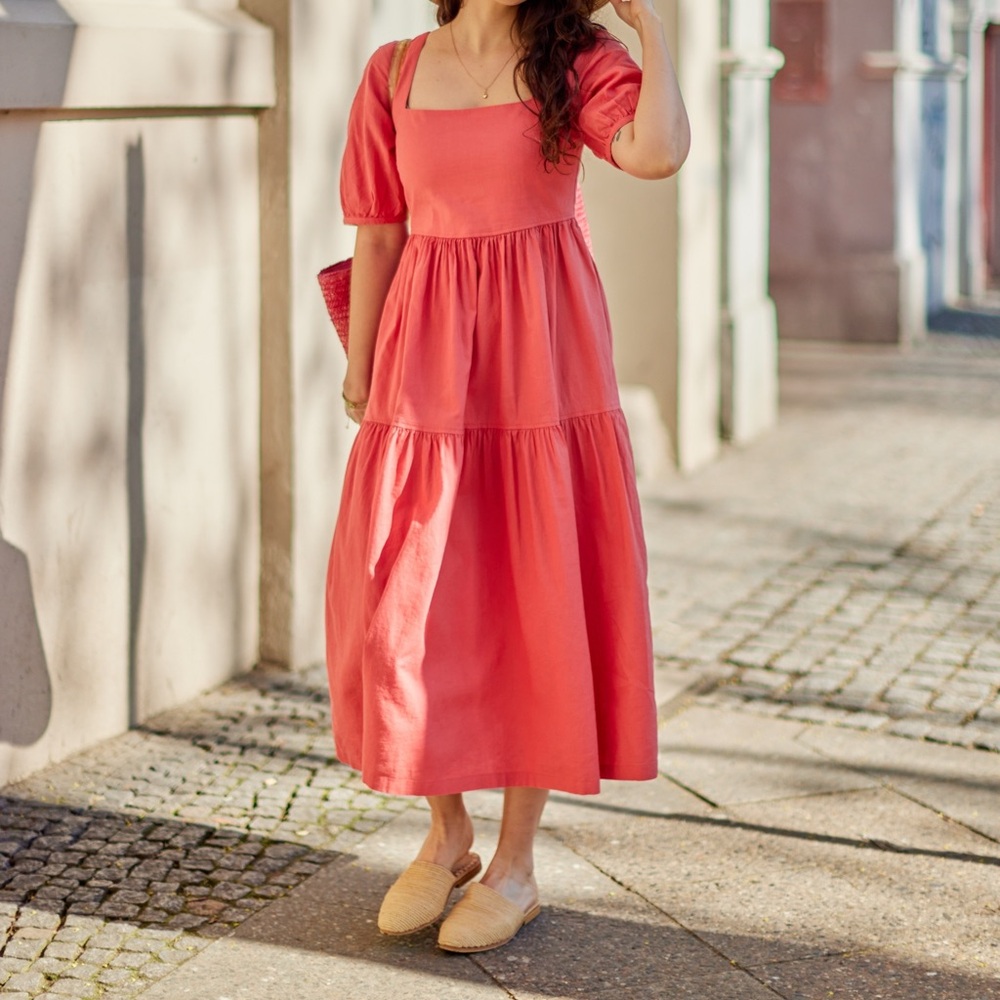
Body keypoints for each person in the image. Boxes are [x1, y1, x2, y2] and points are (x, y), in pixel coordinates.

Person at [327, 0, 689, 954]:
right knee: (409, 594)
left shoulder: (577, 59)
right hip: (425, 360)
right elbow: (378, 231)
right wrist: (363, 370)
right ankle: (446, 835)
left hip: (544, 358)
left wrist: (655, 28)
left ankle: (516, 865)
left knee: (540, 589)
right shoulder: (394, 71)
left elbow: (656, 154)